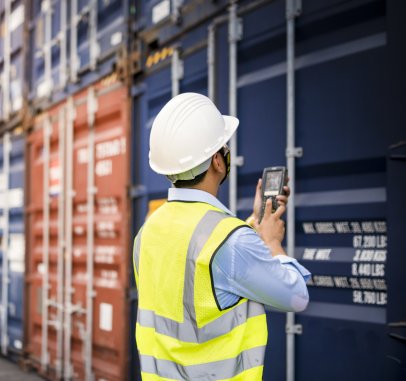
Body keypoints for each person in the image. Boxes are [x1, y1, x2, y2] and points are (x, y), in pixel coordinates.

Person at [133, 93, 310, 381]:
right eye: (223, 148)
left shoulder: (148, 232)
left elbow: (203, 266)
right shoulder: (231, 241)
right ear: (218, 161)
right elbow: (298, 297)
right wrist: (272, 242)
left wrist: (254, 223)